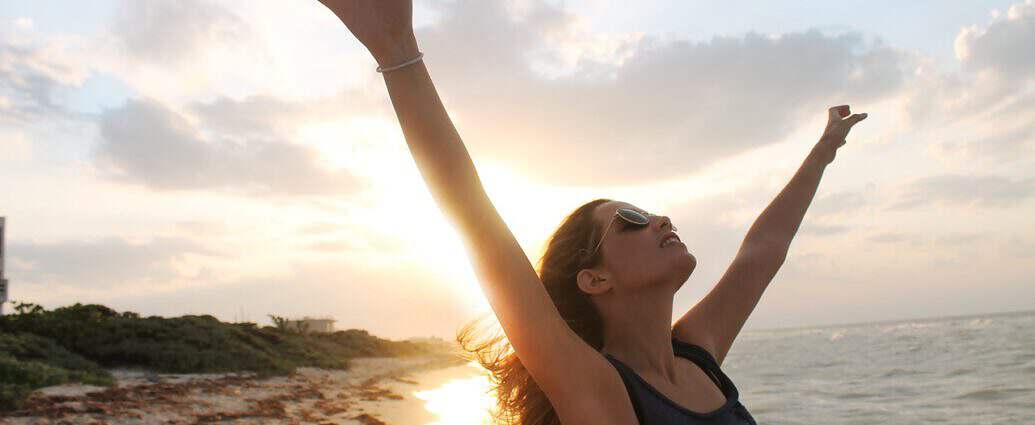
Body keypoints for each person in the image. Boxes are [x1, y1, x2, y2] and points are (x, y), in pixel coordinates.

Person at [317, 1, 868, 424]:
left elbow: (761, 253)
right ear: (594, 277)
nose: (660, 219)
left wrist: (822, 153)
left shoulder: (697, 358)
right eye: (630, 218)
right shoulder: (600, 390)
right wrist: (397, 51)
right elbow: (478, 224)